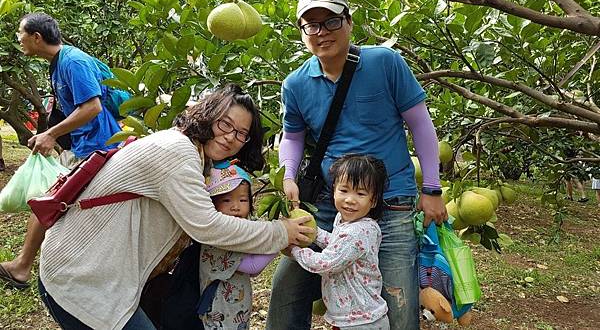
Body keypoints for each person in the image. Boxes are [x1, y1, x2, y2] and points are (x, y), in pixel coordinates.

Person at [37, 84, 314, 330]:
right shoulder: (178, 152)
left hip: (101, 279)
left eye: (241, 133)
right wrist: (280, 232)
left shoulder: (192, 154)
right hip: (79, 280)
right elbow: (207, 226)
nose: (231, 137)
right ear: (207, 115)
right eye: (225, 124)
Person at [266, 0, 447, 330]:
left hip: (390, 202)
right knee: (287, 288)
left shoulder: (385, 63)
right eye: (312, 25)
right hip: (331, 204)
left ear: (348, 22)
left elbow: (421, 125)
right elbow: (292, 137)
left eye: (331, 21)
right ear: (303, 33)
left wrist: (433, 189)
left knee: (398, 300)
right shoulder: (296, 84)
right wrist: (287, 175)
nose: (322, 32)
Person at [0, 13, 121, 290]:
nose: (18, 39)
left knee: (50, 200)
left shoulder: (73, 61)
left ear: (36, 37)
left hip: (99, 147)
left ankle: (23, 266)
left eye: (20, 33)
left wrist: (52, 134)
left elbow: (92, 107)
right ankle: (26, 265)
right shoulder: (58, 64)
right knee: (55, 203)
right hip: (85, 146)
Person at [290, 154, 389, 330]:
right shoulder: (345, 220)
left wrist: (295, 251)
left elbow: (327, 263)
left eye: (360, 193)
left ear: (373, 200)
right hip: (350, 317)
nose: (350, 199)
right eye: (344, 190)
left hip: (361, 321)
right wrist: (314, 233)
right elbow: (337, 245)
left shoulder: (359, 231)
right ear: (334, 189)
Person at [199, 160, 277, 329]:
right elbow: (253, 267)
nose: (235, 207)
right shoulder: (219, 237)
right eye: (226, 201)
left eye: (242, 200)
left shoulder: (240, 232)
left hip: (235, 308)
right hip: (220, 310)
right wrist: (279, 244)